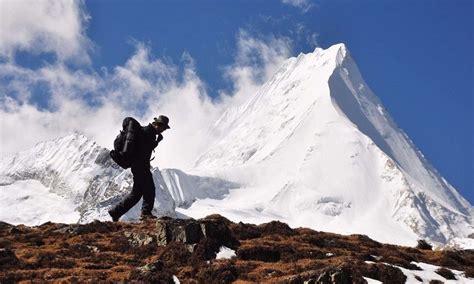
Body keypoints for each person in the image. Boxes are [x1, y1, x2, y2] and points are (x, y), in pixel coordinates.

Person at [108, 115, 170, 222]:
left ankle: (115, 212)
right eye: (163, 128)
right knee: (149, 189)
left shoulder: (147, 132)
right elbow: (144, 150)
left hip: (137, 166)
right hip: (141, 166)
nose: (163, 131)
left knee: (136, 195)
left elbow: (143, 148)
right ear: (157, 125)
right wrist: (155, 142)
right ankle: (146, 214)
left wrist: (156, 142)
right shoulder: (148, 133)